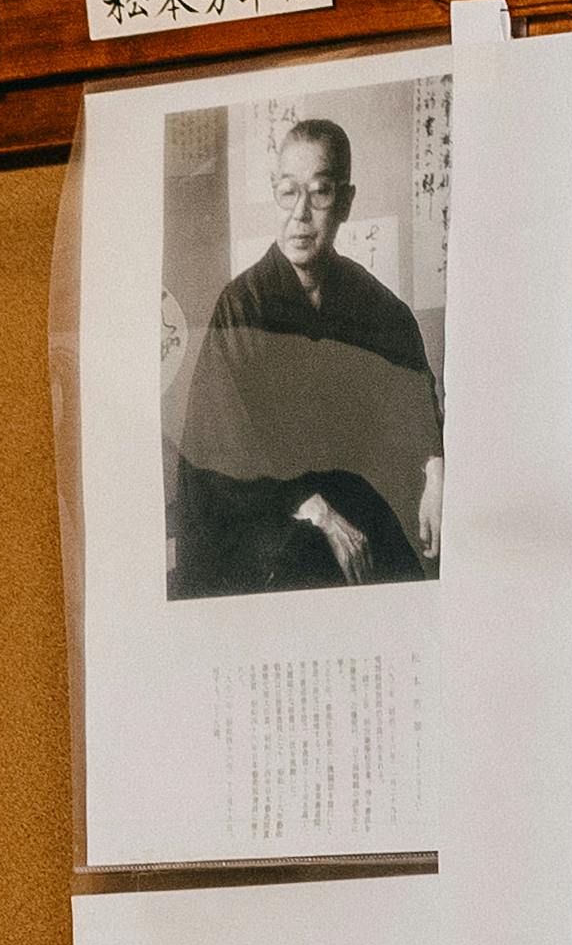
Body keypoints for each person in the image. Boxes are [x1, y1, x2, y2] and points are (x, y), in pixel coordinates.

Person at [168, 111, 441, 592]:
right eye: (288, 192)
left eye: (320, 192)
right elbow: (224, 447)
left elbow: (411, 396)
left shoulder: (372, 303)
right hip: (263, 515)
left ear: (346, 201)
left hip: (352, 506)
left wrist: (435, 470)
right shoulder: (241, 304)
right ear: (275, 191)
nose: (301, 213)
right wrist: (315, 510)